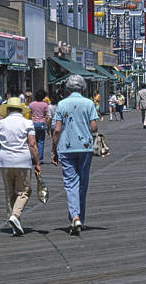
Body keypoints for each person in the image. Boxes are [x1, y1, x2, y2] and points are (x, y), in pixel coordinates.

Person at [51, 74, 99, 235]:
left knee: (71, 183)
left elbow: (57, 129)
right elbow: (94, 128)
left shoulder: (62, 104)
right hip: (85, 147)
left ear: (68, 88)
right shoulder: (89, 103)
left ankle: (75, 216)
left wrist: (54, 149)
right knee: (83, 183)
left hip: (66, 147)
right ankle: (80, 219)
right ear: (83, 87)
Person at [0, 97, 40, 236]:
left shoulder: (1, 123)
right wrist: (37, 162)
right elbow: (32, 144)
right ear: (20, 110)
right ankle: (15, 216)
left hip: (5, 160)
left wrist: (5, 146)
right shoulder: (27, 122)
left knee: (10, 194)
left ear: (8, 109)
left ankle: (13, 224)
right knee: (24, 191)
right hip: (22, 161)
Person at [28, 90, 49, 160]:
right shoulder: (45, 105)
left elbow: (29, 115)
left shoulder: (31, 104)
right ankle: (39, 159)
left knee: (33, 142)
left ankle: (34, 157)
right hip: (41, 124)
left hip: (33, 124)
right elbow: (46, 115)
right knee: (41, 141)